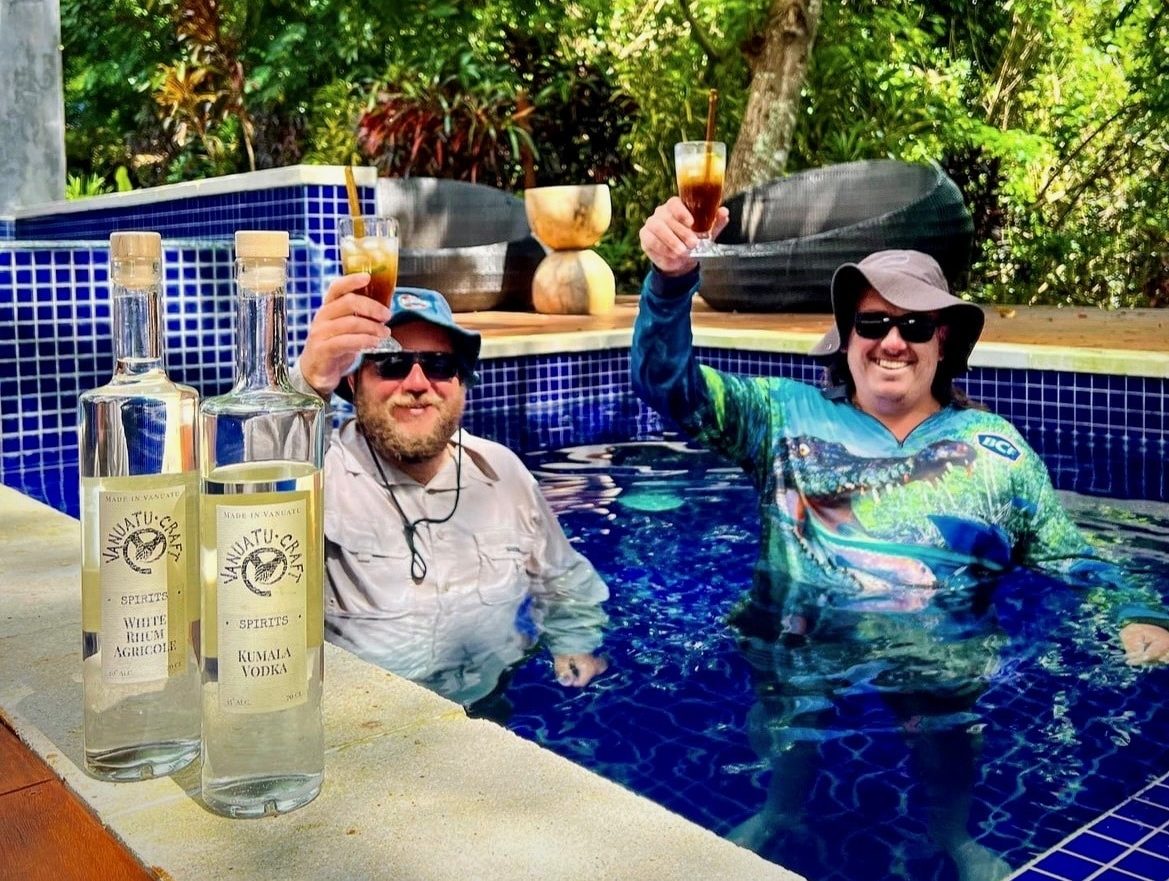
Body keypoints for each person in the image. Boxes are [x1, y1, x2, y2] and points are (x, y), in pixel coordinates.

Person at [632, 197, 1169, 881]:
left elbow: (1069, 551)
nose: (892, 340)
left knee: (948, 721)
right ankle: (777, 810)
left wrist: (1136, 609)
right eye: (873, 321)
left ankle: (952, 836)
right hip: (800, 635)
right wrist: (670, 281)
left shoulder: (991, 448)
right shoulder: (777, 415)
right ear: (847, 336)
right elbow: (664, 384)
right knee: (793, 707)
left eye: (913, 323)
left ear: (941, 339)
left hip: (938, 654)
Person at [291, 274, 609, 715]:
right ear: (352, 382)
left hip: (493, 708)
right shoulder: (317, 472)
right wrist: (307, 382)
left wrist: (572, 643)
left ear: (461, 383)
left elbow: (566, 579)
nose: (418, 382)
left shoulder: (504, 474)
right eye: (391, 363)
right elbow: (243, 485)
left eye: (439, 365)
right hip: (367, 728)